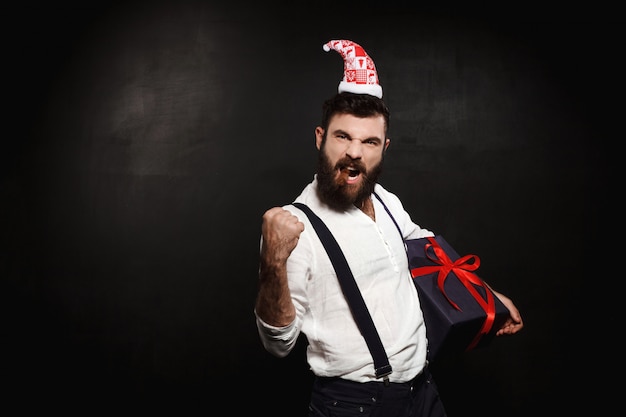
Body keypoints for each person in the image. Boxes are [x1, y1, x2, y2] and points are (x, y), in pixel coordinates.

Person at [254, 39, 523, 417]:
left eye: (369, 142)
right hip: (354, 405)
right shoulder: (295, 227)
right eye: (343, 137)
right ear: (320, 138)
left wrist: (489, 297)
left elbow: (426, 247)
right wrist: (273, 261)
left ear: (384, 148)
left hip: (423, 391)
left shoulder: (385, 200)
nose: (354, 152)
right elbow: (278, 344)